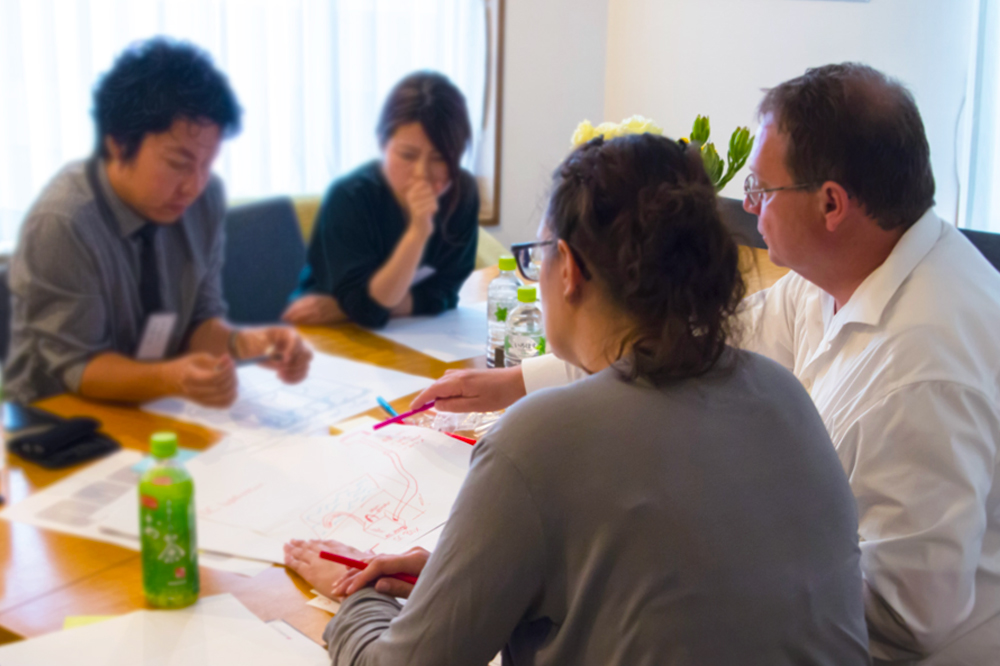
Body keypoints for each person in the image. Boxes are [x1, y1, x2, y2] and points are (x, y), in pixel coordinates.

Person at [415, 63, 1000, 665]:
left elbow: (909, 618)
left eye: (761, 191)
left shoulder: (926, 369)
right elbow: (690, 337)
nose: (748, 206)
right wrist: (518, 381)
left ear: (832, 204)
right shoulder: (837, 276)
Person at [284, 133, 870, 665]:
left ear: (567, 269)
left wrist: (357, 602)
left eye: (537, 256)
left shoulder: (540, 437)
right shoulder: (781, 392)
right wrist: (460, 578)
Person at [4, 38, 312, 407]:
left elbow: (199, 320)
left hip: (156, 405)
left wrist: (244, 344)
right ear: (118, 144)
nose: (194, 185)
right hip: (61, 420)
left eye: (206, 163)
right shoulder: (64, 222)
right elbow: (77, 366)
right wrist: (172, 377)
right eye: (179, 163)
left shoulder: (204, 199)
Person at [282, 71, 479, 329]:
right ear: (382, 144)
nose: (422, 173)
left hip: (410, 334)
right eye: (407, 155)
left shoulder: (461, 194)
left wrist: (347, 308)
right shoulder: (350, 197)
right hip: (322, 334)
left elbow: (444, 293)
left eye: (440, 158)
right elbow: (369, 312)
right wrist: (418, 232)